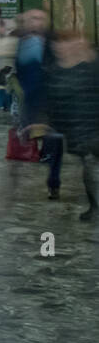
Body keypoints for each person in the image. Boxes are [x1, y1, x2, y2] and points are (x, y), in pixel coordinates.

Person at [44, 33, 99, 221]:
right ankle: (95, 208)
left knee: (91, 166)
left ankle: (95, 208)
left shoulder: (91, 66)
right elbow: (54, 102)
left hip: (89, 129)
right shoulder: (57, 71)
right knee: (90, 166)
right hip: (81, 131)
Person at [14, 10, 62, 198]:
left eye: (40, 18)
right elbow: (20, 70)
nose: (37, 22)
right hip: (31, 101)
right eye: (33, 19)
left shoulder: (53, 41)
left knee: (55, 140)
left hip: (52, 98)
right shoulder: (22, 42)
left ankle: (54, 182)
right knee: (32, 138)